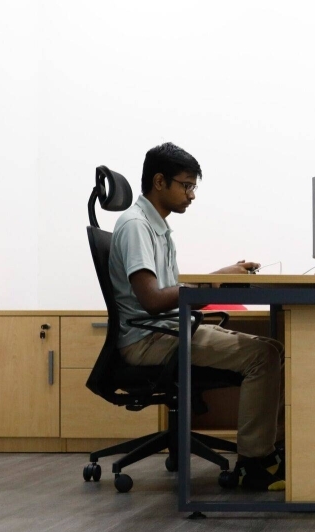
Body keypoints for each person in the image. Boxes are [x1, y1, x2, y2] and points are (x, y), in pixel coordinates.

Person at [109, 142, 285, 491]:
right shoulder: (135, 226)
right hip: (148, 339)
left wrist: (217, 278)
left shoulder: (156, 227)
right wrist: (212, 282)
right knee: (263, 356)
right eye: (186, 185)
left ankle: (265, 452)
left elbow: (172, 294)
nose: (191, 195)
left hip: (165, 330)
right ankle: (254, 465)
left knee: (272, 349)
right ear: (160, 182)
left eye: (193, 187)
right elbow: (152, 300)